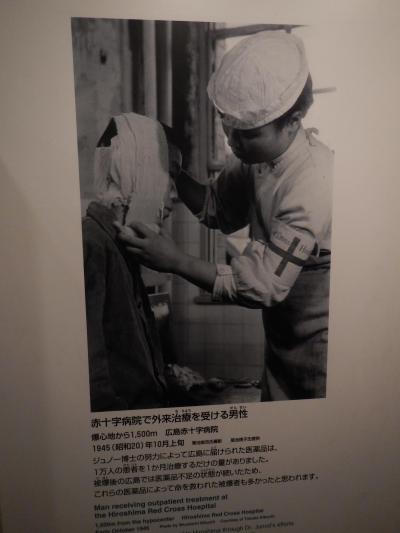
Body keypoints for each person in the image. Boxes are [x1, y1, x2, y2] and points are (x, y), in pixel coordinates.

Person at [115, 31, 333, 401]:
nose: (232, 142)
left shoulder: (312, 182)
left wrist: (175, 261)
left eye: (247, 134)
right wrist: (174, 172)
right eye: (226, 126)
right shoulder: (254, 156)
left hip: (318, 343)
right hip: (279, 335)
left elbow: (262, 287)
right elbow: (216, 208)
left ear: (293, 120)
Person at [82, 112, 177, 411]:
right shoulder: (93, 244)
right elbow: (92, 378)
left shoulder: (123, 241)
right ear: (139, 170)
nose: (174, 196)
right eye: (169, 178)